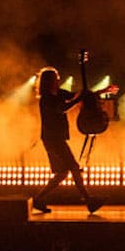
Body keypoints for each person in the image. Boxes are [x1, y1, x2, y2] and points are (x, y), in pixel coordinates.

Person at [32, 67, 104, 214]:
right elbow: (61, 108)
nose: (58, 80)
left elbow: (77, 95)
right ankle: (89, 200)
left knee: (62, 173)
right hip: (53, 139)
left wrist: (99, 92)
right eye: (55, 78)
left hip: (54, 138)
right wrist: (77, 99)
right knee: (74, 167)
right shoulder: (47, 98)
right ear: (49, 81)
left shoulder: (58, 94)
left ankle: (38, 199)